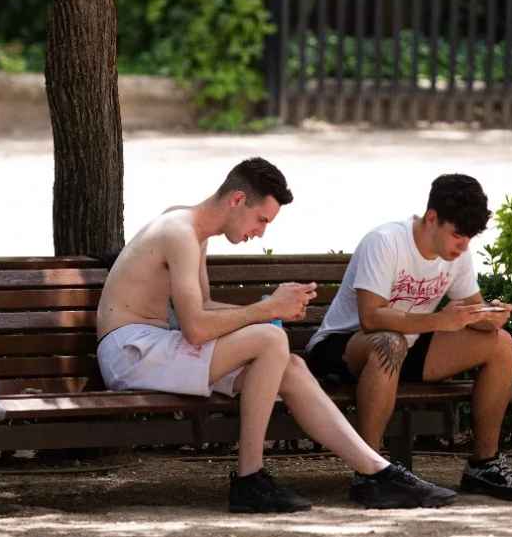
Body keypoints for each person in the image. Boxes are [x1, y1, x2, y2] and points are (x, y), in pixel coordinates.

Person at [96, 158, 457, 512]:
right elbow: (196, 328)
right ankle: (248, 478)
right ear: (237, 199)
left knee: (292, 366)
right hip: (131, 351)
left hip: (154, 347)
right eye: (261, 219)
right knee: (271, 340)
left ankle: (379, 472)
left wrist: (272, 305)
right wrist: (268, 312)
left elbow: (202, 306)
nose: (260, 232)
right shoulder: (180, 232)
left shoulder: (192, 230)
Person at [305, 173, 512, 501]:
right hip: (345, 345)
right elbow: (371, 318)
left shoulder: (457, 255)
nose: (464, 245)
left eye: (469, 237)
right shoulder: (386, 241)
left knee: (500, 344)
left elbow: (471, 309)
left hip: (409, 344)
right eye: (458, 234)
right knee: (389, 342)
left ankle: (483, 466)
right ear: (432, 219)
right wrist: (441, 320)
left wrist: (489, 317)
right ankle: (371, 472)